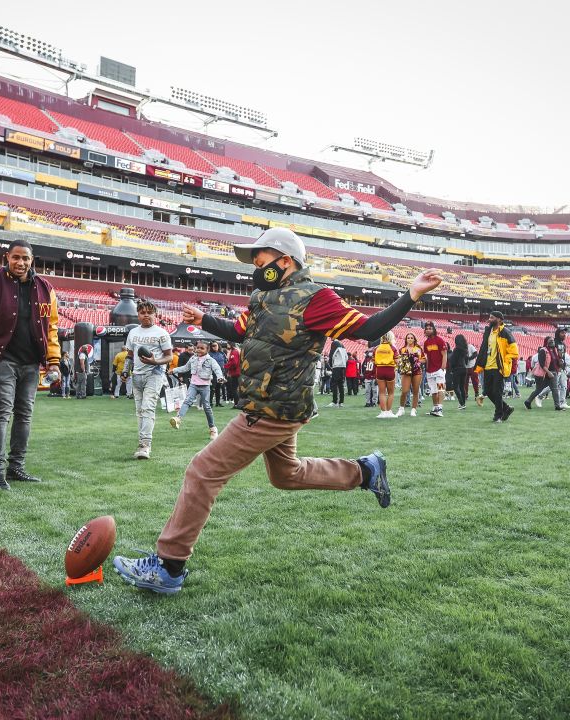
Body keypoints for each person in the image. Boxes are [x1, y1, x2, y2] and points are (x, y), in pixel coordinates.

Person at [111, 227, 443, 594]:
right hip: (274, 405)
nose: (256, 267)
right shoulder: (262, 297)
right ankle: (365, 471)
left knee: (202, 472)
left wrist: (411, 294)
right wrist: (203, 320)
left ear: (285, 261)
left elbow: (368, 328)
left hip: (273, 408)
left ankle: (169, 566)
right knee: (285, 475)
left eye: (261, 260)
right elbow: (240, 331)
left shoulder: (317, 298)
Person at [0, 239, 61, 490]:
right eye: (16, 257)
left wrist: (53, 362)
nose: (21, 262)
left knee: (25, 415)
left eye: (25, 258)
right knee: (2, 413)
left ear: (32, 260)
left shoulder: (45, 287)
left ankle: (16, 467)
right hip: (2, 359)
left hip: (31, 363)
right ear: (7, 257)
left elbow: (52, 329)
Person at [125, 300, 174, 459]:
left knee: (147, 407)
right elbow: (130, 355)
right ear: (138, 315)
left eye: (149, 312)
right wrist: (125, 370)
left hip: (154, 373)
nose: (146, 315)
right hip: (136, 375)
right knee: (140, 411)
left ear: (155, 315)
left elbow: (169, 356)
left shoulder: (161, 333)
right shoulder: (133, 332)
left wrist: (155, 361)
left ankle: (145, 445)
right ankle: (142, 442)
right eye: (142, 312)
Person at [170, 340, 225, 441]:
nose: (198, 350)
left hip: (205, 386)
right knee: (187, 401)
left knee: (207, 407)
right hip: (193, 384)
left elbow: (217, 369)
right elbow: (185, 368)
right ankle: (178, 419)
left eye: (202, 348)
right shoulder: (193, 358)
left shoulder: (210, 360)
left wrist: (220, 377)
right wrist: (174, 370)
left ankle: (213, 428)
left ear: (207, 350)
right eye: (197, 347)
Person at [473, 311, 520, 423]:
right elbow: (483, 349)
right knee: (488, 391)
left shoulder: (505, 332)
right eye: (489, 317)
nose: (489, 319)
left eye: (492, 317)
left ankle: (498, 415)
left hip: (499, 367)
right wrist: (480, 363)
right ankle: (506, 408)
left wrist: (505, 360)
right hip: (488, 366)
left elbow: (514, 351)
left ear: (499, 319)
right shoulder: (488, 332)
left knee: (497, 392)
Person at [524, 336, 562, 411]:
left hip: (553, 372)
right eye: (550, 341)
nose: (552, 342)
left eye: (553, 341)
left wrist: (559, 365)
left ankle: (557, 406)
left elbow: (557, 362)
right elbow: (542, 364)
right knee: (539, 389)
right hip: (543, 373)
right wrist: (548, 372)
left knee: (554, 389)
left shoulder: (555, 350)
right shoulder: (543, 350)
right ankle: (528, 402)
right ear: (546, 342)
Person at [421, 321, 450, 417]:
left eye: (430, 328)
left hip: (439, 370)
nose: (428, 330)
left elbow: (444, 354)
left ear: (434, 330)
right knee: (433, 390)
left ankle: (440, 408)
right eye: (427, 328)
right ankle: (435, 407)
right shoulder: (426, 343)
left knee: (440, 388)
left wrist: (443, 367)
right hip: (430, 370)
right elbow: (427, 357)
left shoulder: (439, 340)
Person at [396, 332, 423, 417]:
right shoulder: (402, 349)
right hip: (406, 371)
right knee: (404, 391)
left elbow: (424, 359)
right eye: (408, 338)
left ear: (414, 339)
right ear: (406, 339)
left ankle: (413, 409)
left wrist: (417, 360)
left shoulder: (418, 349)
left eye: (411, 338)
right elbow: (398, 360)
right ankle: (401, 409)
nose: (410, 339)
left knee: (415, 391)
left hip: (417, 371)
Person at [373, 331, 398, 418]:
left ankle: (383, 412)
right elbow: (397, 361)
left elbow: (373, 361)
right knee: (391, 393)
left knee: (382, 393)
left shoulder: (376, 348)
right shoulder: (393, 348)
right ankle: (389, 412)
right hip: (390, 370)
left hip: (379, 370)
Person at [448, 334, 475, 410]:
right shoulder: (465, 350)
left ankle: (461, 403)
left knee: (456, 387)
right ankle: (463, 404)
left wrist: (452, 368)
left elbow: (452, 360)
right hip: (464, 369)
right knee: (462, 387)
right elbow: (466, 360)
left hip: (457, 369)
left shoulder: (456, 350)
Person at [328, 339, 348, 407]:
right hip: (343, 366)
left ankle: (334, 401)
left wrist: (331, 365)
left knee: (334, 384)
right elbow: (346, 357)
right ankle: (341, 402)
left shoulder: (334, 343)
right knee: (341, 385)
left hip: (336, 366)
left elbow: (331, 355)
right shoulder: (342, 344)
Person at [225, 344, 242, 408]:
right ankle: (237, 403)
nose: (227, 345)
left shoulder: (234, 351)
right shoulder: (237, 351)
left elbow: (234, 363)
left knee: (234, 389)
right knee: (236, 389)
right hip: (237, 372)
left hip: (235, 373)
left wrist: (226, 366)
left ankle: (237, 404)